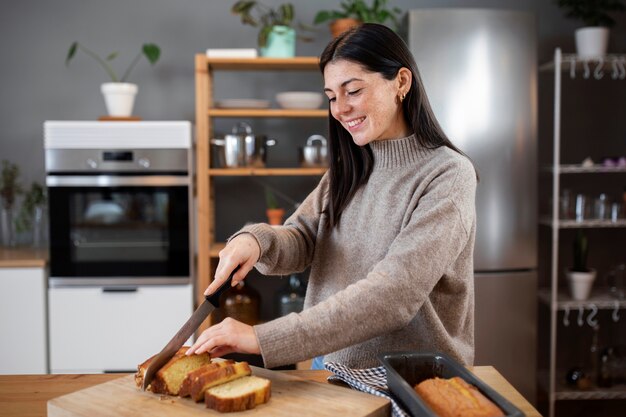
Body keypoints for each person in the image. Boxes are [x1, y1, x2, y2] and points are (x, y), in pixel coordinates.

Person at [187, 23, 477, 370]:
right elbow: (303, 237)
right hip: (334, 369)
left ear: (401, 82)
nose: (339, 109)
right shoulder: (349, 169)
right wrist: (257, 241)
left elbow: (393, 295)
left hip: (415, 380)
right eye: (331, 97)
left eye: (352, 91)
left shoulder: (447, 175)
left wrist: (262, 338)